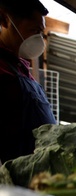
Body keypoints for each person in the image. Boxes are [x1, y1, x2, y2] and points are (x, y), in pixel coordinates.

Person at [0, 0, 55, 164]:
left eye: (41, 32)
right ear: (5, 20)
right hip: (11, 176)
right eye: (35, 30)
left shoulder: (22, 68)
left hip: (36, 174)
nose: (39, 39)